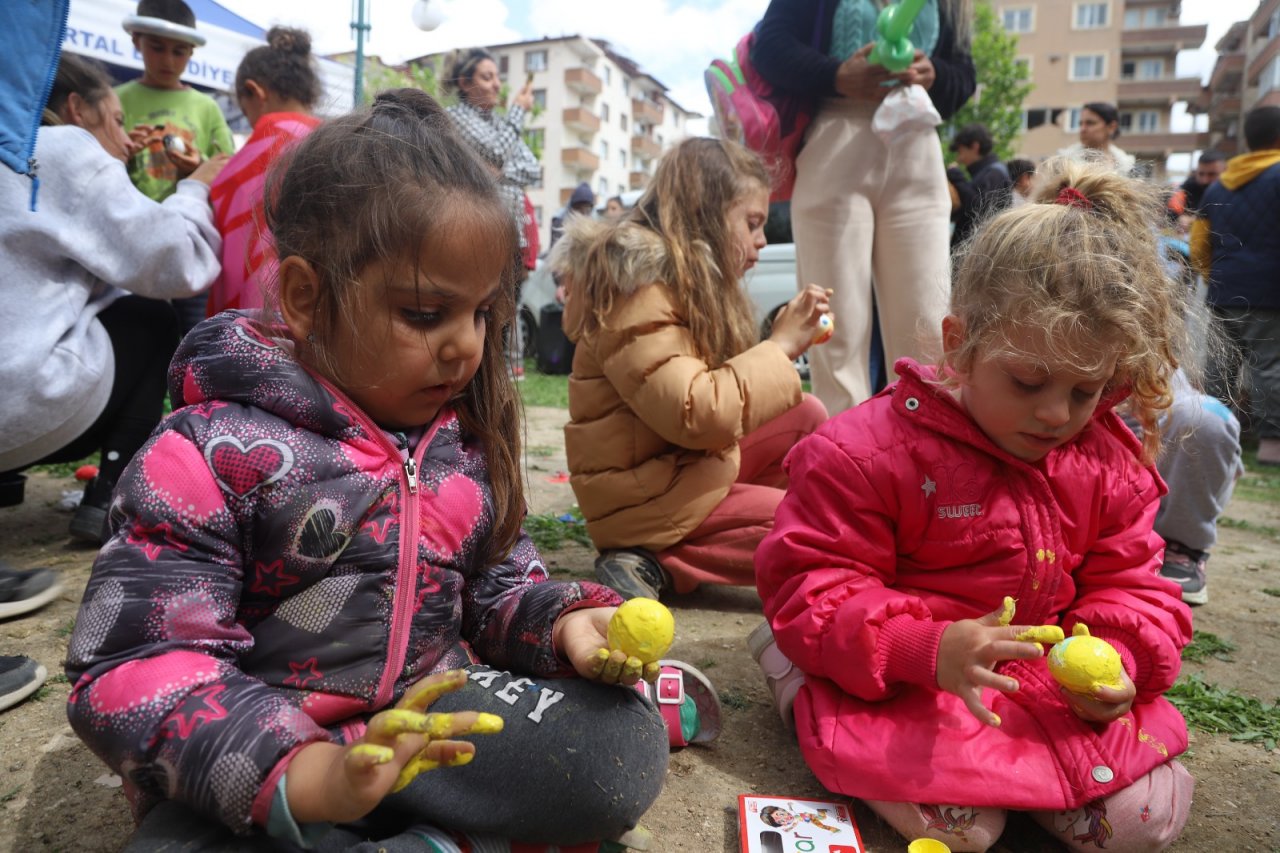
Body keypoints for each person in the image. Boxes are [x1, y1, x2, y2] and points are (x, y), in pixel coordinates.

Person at [64, 89, 672, 851]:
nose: (466, 347)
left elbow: (499, 590)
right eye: (425, 313)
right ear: (307, 297)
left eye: (481, 313)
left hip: (429, 737)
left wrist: (567, 625)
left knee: (617, 745)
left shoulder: (463, 451)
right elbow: (137, 659)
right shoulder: (209, 454)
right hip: (265, 762)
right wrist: (305, 771)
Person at [753, 159, 1195, 852]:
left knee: (1134, 822)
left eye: (1086, 392)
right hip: (911, 674)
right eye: (1027, 380)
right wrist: (922, 648)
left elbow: (1135, 582)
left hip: (1035, 687)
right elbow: (814, 584)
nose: (1056, 413)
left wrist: (1120, 657)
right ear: (960, 343)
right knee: (962, 832)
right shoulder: (865, 454)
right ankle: (791, 672)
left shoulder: (1104, 456)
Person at [555, 137, 831, 601]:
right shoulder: (637, 290)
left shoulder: (686, 285)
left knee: (806, 416)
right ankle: (655, 556)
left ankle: (707, 532)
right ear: (705, 216)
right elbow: (696, 412)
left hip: (676, 469)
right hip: (640, 500)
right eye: (752, 223)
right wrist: (780, 347)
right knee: (811, 527)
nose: (762, 240)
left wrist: (778, 347)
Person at [0, 52, 224, 546]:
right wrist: (195, 187)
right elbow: (175, 261)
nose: (125, 143)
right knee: (148, 314)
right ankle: (111, 495)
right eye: (118, 122)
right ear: (77, 109)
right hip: (17, 408)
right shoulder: (62, 148)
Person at [752, 0, 976, 414]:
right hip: (835, 136)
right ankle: (844, 462)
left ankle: (928, 457)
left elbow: (964, 74)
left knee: (927, 325)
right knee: (834, 329)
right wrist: (835, 75)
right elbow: (769, 46)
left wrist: (936, 74)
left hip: (917, 142)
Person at [116, 0, 234, 334]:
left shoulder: (206, 107)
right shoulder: (115, 100)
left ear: (192, 52)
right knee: (142, 334)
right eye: (157, 48)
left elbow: (225, 170)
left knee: (197, 335)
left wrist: (198, 168)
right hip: (133, 241)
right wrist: (122, 153)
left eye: (179, 51)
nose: (168, 60)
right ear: (136, 40)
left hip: (191, 242)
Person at [207, 26, 323, 317]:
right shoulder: (336, 141)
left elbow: (227, 207)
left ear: (255, 92)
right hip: (320, 312)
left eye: (246, 113)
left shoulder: (262, 147)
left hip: (259, 319)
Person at [444, 47, 541, 381]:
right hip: (480, 227)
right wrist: (516, 114)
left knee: (508, 305)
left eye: (498, 77)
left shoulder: (499, 125)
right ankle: (478, 374)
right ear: (465, 82)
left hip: (511, 231)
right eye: (487, 77)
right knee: (482, 302)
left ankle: (502, 372)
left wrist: (494, 169)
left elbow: (532, 168)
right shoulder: (456, 116)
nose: (497, 85)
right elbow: (498, 152)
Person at [1192, 106, 1280, 467]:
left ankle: (1212, 435)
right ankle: (1273, 444)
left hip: (1224, 291)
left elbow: (1199, 244)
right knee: (1269, 365)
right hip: (1270, 292)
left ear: (1247, 140)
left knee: (1220, 368)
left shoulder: (1219, 184)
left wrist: (1217, 277)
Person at [946, 122, 1012, 247]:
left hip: (979, 254)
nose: (959, 158)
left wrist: (956, 177)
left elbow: (980, 209)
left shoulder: (994, 173)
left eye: (961, 152)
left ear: (975, 147)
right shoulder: (986, 172)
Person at [1060, 102, 1135, 174]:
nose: (1082, 129)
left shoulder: (1127, 166)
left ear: (1111, 127)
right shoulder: (1064, 162)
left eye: (1090, 123)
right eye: (1080, 124)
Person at [1167, 149, 1225, 233]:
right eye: (1201, 174)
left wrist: (1193, 220)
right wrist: (1179, 219)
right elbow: (1171, 214)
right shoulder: (1188, 187)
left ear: (1225, 171)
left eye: (1212, 174)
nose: (1205, 180)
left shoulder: (1232, 191)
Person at [549, 181, 595, 249]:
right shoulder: (559, 221)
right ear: (572, 206)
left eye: (587, 208)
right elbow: (555, 248)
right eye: (578, 207)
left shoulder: (593, 223)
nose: (582, 212)